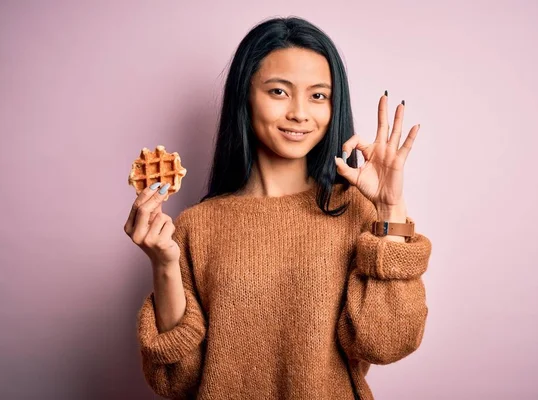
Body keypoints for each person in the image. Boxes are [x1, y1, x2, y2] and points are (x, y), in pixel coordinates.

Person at [124, 16, 432, 400]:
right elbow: (177, 382)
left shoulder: (355, 212)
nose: (300, 113)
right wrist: (164, 264)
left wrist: (390, 208)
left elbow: (386, 343)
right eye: (279, 92)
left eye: (318, 95)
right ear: (245, 96)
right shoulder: (197, 226)